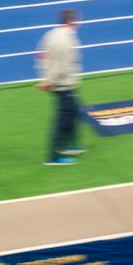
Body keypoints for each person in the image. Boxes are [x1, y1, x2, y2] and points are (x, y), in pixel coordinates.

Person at [37, 9, 86, 166]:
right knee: (63, 120)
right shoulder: (69, 40)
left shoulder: (50, 35)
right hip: (64, 85)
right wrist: (50, 82)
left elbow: (41, 55)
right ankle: (53, 156)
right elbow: (64, 68)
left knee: (74, 112)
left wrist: (44, 76)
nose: (79, 23)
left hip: (56, 83)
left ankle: (71, 145)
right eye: (77, 20)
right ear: (71, 21)